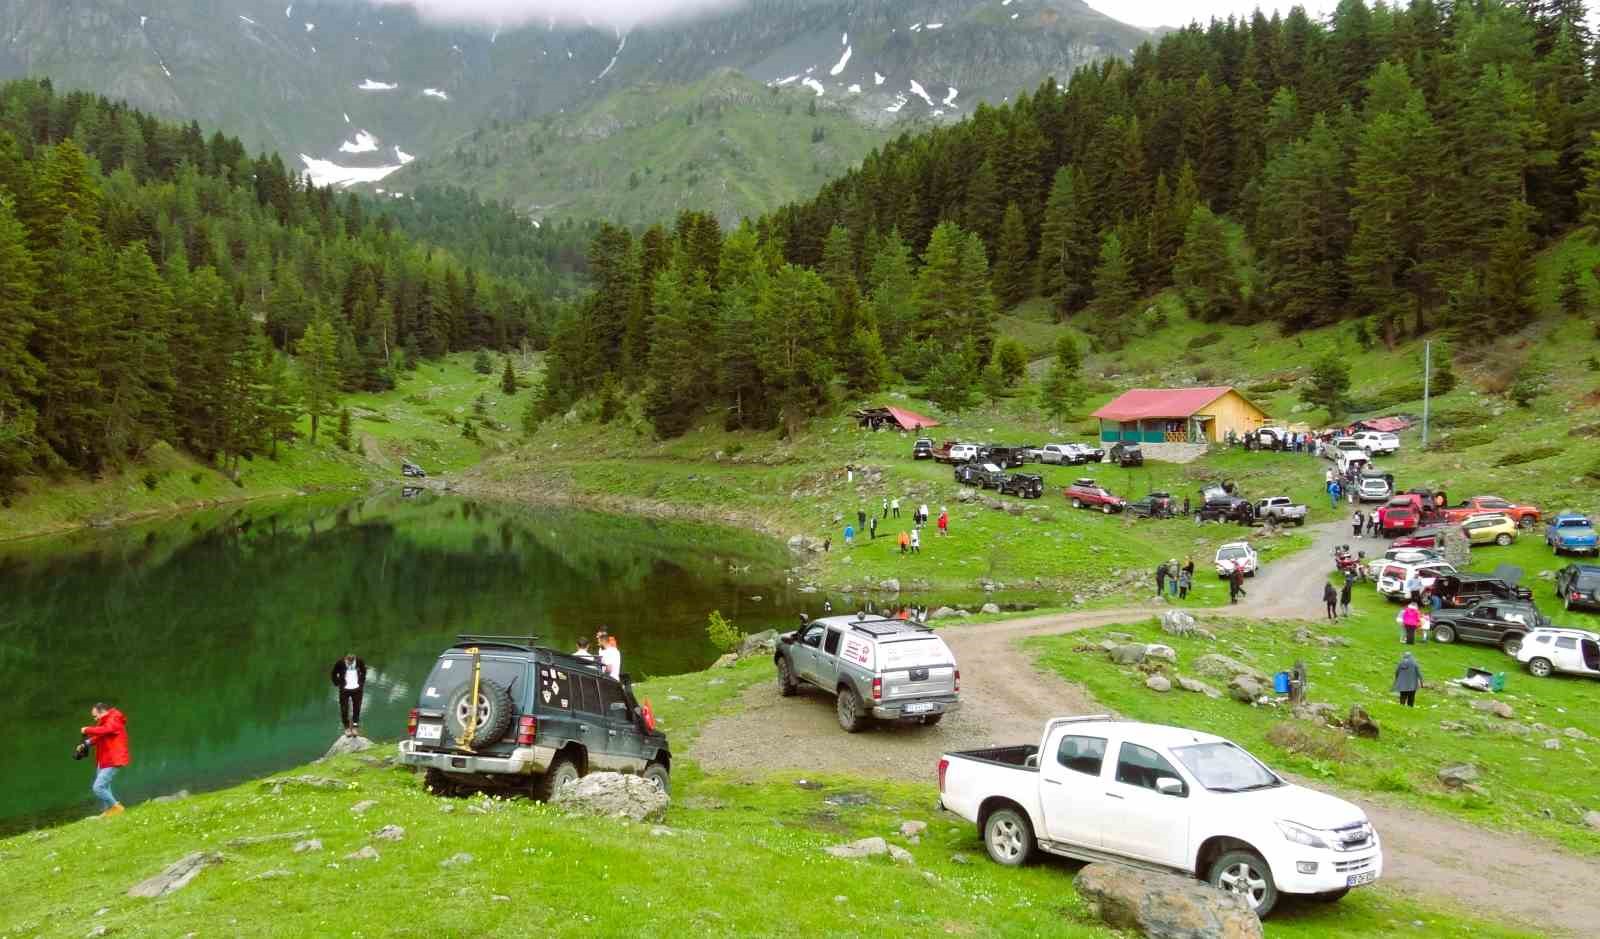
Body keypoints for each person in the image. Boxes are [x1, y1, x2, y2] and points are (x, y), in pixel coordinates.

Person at [82, 702, 130, 817]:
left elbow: (106, 730)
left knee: (98, 787)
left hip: (114, 759)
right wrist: (86, 743)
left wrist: (87, 729)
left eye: (95, 716)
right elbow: (101, 735)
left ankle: (116, 807)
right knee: (105, 786)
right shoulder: (106, 721)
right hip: (104, 759)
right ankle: (109, 811)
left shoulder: (114, 719)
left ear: (102, 712)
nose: (95, 718)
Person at [331, 652, 368, 736]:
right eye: (347, 662)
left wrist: (361, 683)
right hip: (344, 690)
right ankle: (347, 727)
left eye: (351, 662)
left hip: (357, 689)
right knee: (344, 709)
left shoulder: (359, 661)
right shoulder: (340, 662)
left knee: (357, 708)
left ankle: (355, 727)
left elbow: (364, 671)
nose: (349, 664)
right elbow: (333, 673)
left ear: (354, 660)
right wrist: (337, 683)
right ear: (345, 659)